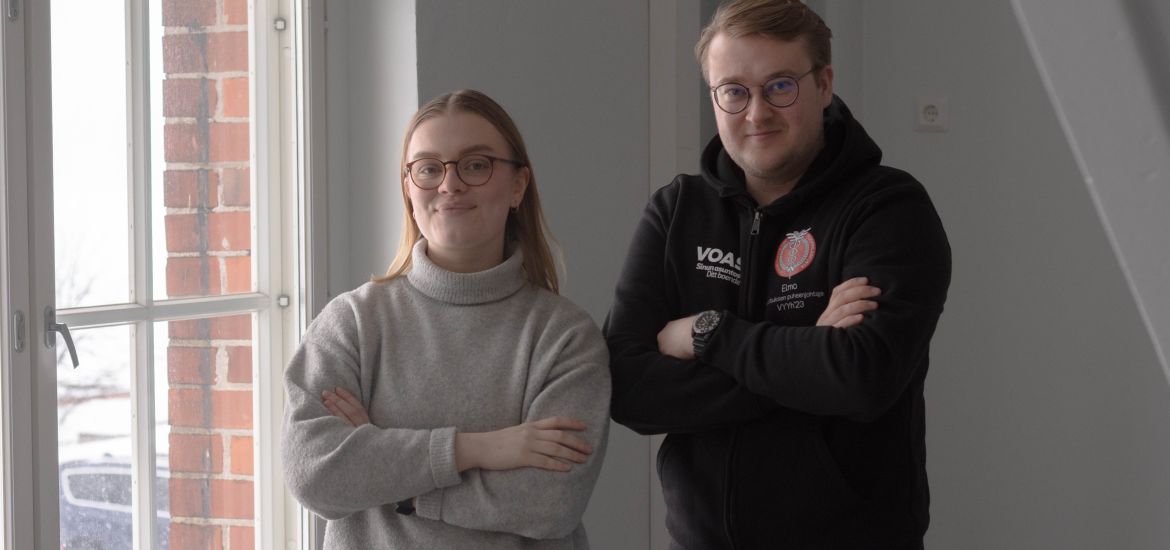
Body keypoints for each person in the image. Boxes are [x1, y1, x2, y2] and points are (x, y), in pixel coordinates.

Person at [605, 0, 952, 548]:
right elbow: (626, 388)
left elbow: (861, 378)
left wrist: (708, 335)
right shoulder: (676, 211)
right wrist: (808, 353)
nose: (756, 113)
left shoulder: (887, 209)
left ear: (824, 84)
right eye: (734, 91)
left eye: (780, 86)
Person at [282, 89, 611, 549]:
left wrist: (390, 476)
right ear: (408, 188)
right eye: (429, 168)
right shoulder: (351, 323)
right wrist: (474, 448)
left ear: (518, 186)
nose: (450, 185)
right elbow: (313, 475)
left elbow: (550, 503)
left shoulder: (564, 336)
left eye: (476, 165)